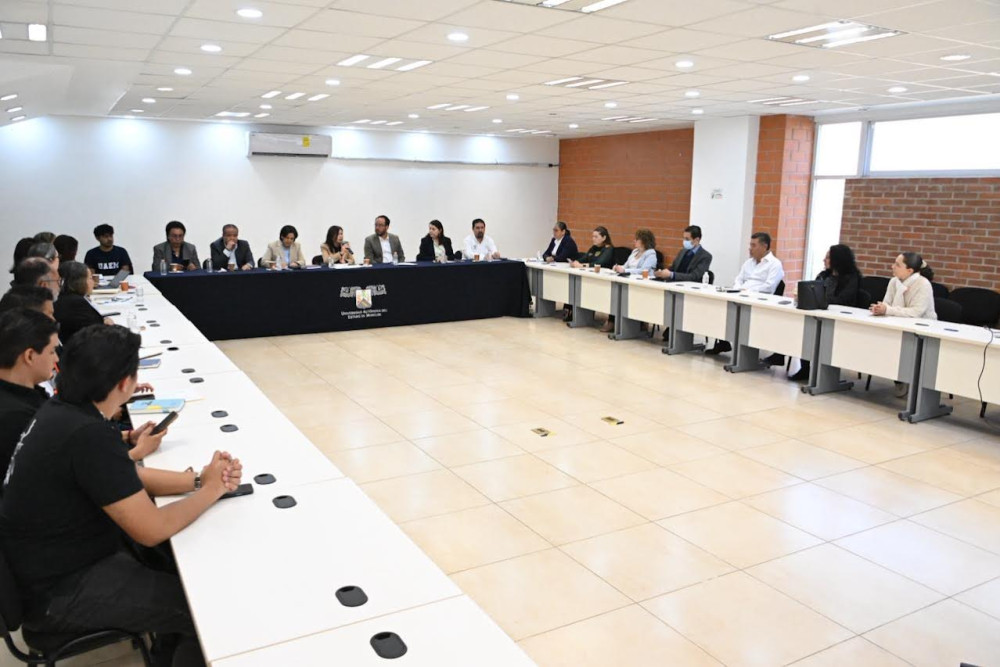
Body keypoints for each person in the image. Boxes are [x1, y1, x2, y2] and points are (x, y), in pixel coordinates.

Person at [0, 325, 241, 667]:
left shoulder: (64, 412)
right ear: (125, 383)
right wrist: (213, 488)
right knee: (202, 609)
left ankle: (164, 652)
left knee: (175, 566)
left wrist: (199, 480)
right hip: (60, 592)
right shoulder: (86, 434)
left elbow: (125, 477)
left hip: (53, 568)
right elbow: (152, 528)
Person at [0, 309, 59, 483]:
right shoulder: (19, 418)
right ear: (30, 356)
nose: (56, 359)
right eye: (52, 351)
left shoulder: (24, 395)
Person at [787, 244, 862, 381]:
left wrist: (821, 300)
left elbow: (843, 300)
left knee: (815, 332)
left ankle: (824, 375)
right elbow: (813, 291)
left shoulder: (851, 278)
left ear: (837, 259)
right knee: (806, 331)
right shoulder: (823, 275)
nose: (824, 260)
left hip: (840, 320)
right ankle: (805, 369)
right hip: (821, 314)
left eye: (828, 257)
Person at [706, 232, 784, 355]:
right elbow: (739, 279)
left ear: (764, 246)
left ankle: (745, 350)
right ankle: (723, 342)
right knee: (721, 308)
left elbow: (769, 287)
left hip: (759, 300)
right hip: (741, 295)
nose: (750, 248)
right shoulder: (749, 262)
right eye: (750, 245)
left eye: (754, 245)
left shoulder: (775, 264)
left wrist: (748, 292)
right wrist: (737, 290)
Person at [53, 262, 111, 343]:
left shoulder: (66, 298)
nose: (93, 282)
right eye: (90, 278)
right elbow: (97, 331)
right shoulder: (76, 303)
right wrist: (107, 325)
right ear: (80, 281)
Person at [871, 252, 936, 320]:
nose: (893, 266)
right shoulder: (894, 281)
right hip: (896, 321)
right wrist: (879, 309)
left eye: (897, 265)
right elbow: (886, 303)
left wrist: (887, 310)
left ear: (909, 271)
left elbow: (916, 312)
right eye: (894, 263)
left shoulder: (924, 284)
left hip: (922, 323)